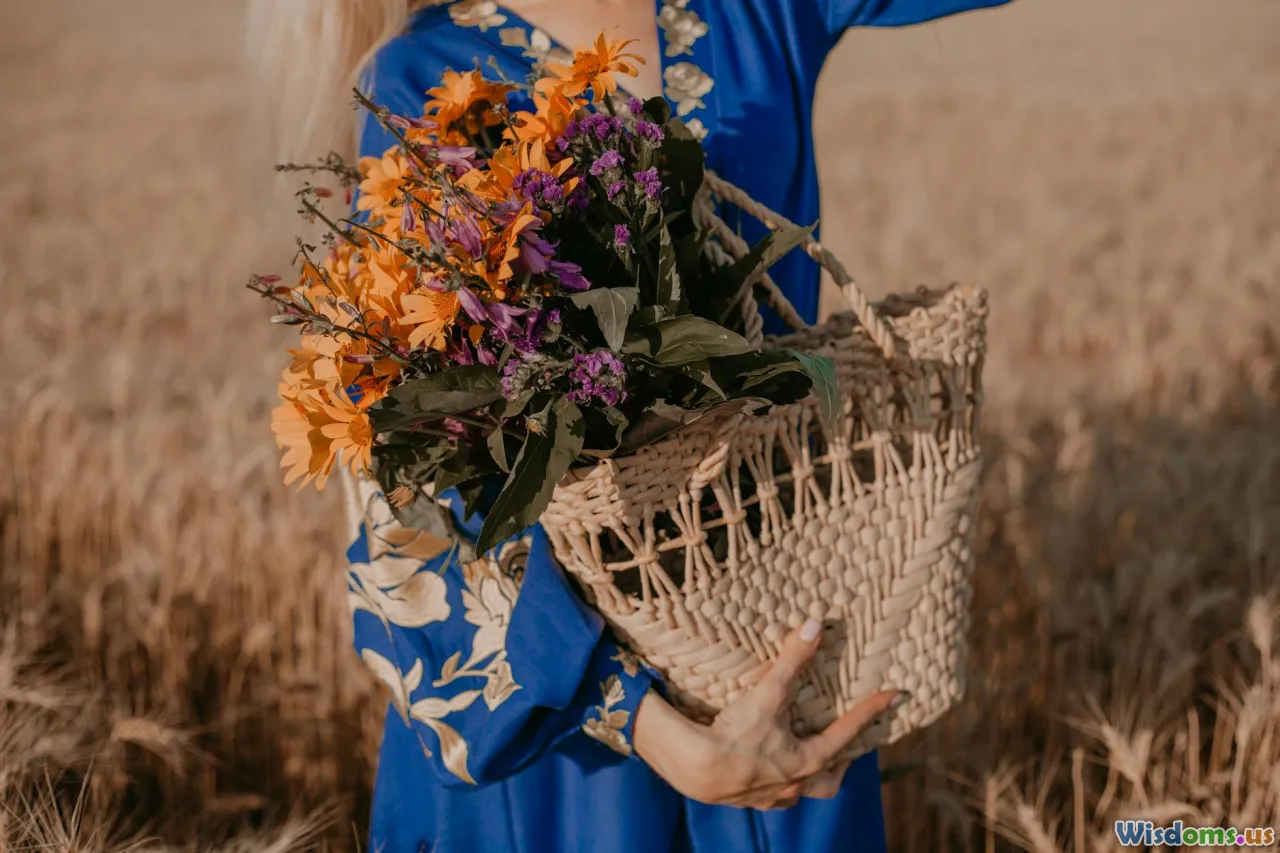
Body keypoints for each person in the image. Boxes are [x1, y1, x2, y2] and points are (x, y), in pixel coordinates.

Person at [249, 1, 1011, 850]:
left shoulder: (756, 12)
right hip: (567, 744)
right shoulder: (426, 72)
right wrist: (655, 726)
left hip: (785, 641)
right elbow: (410, 495)